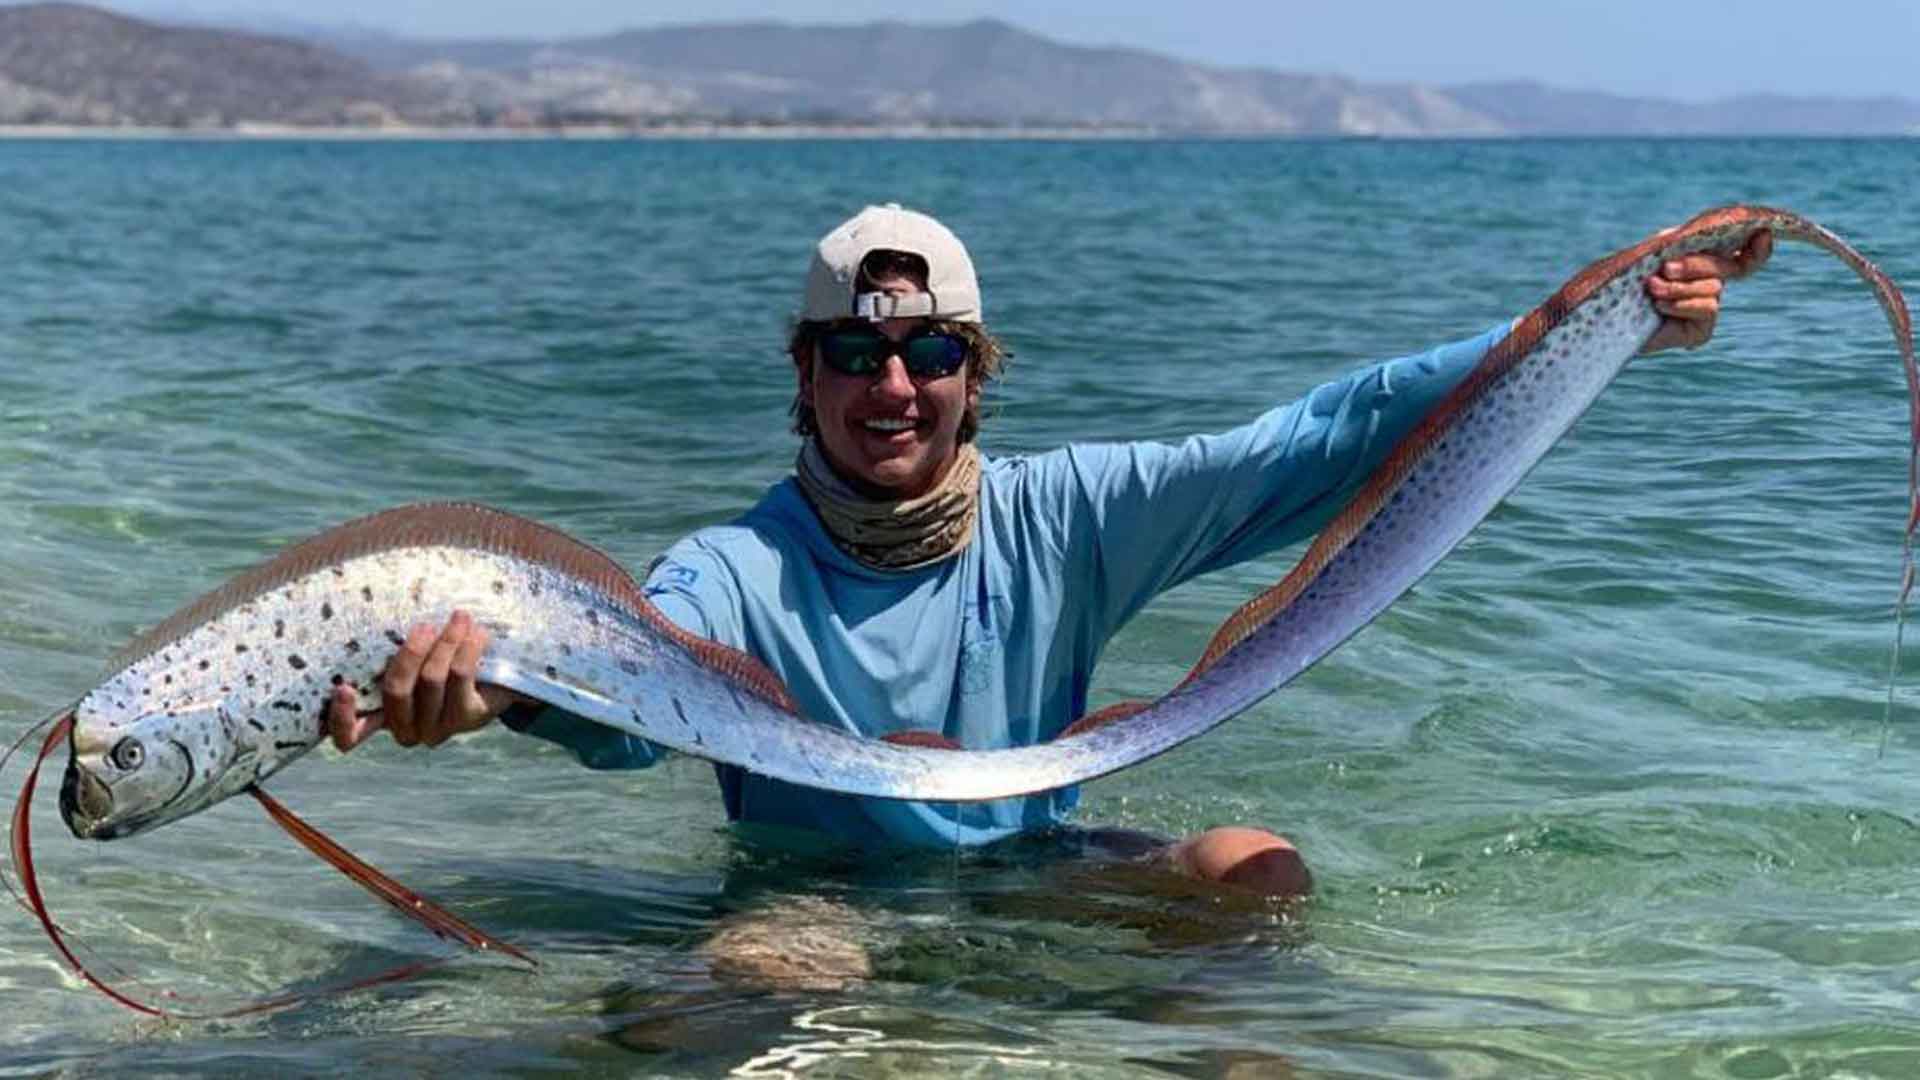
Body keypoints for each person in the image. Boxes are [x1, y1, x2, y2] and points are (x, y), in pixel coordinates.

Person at [328, 203, 1770, 896]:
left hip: (1034, 867)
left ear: (976, 367)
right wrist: (501, 689)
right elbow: (632, 689)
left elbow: (1322, 440)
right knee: (757, 982)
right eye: (854, 353)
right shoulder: (739, 568)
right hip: (820, 907)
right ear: (807, 374)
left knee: (1256, 874)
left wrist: (1595, 320)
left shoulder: (1066, 514)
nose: (893, 388)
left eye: (930, 353)